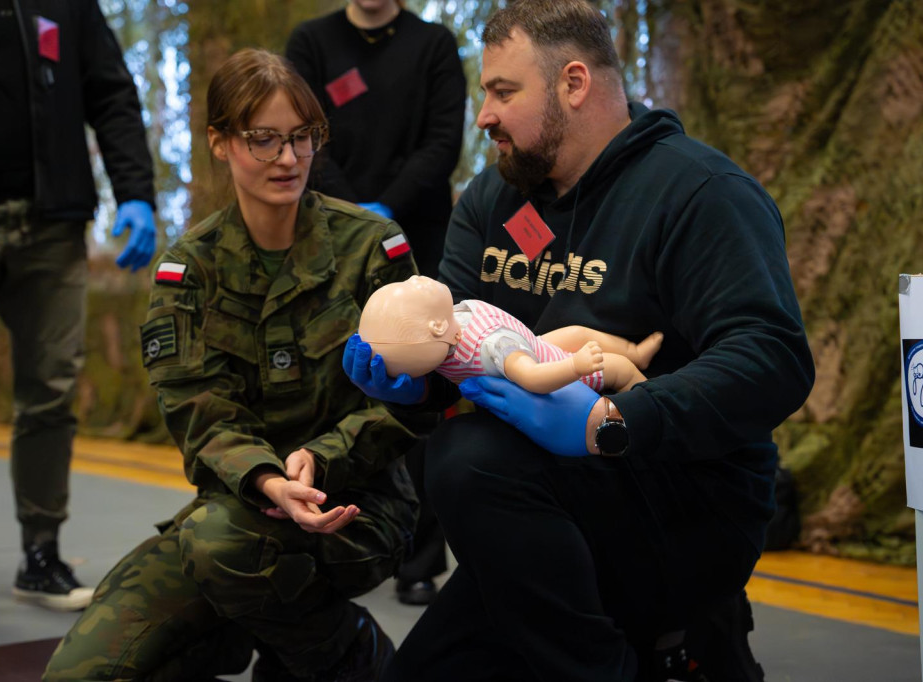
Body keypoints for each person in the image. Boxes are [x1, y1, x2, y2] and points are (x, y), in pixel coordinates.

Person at [343, 0, 816, 680]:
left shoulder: (702, 193)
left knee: (469, 458)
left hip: (683, 500)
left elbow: (772, 359)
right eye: (485, 94)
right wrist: (410, 383)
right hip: (531, 512)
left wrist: (613, 422)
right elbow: (453, 353)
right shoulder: (492, 200)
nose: (484, 116)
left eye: (503, 91)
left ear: (573, 83)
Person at [43, 48, 419, 682]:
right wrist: (271, 481)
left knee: (221, 549)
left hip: (358, 509)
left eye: (303, 138)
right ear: (220, 143)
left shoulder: (371, 250)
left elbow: (412, 399)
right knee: (86, 670)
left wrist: (322, 458)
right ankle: (261, 631)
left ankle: (346, 653)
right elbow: (200, 413)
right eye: (263, 140)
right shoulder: (189, 270)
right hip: (238, 511)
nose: (289, 159)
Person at [0, 0, 156, 625]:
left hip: (52, 229)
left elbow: (113, 95)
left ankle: (41, 554)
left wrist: (137, 194)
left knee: (52, 393)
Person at [286, 0, 467, 606]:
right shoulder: (311, 43)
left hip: (418, 239)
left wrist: (387, 210)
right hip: (327, 236)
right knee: (336, 379)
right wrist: (356, 215)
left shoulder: (434, 44)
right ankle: (332, 537)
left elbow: (443, 141)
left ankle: (418, 558)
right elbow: (304, 138)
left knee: (421, 387)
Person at [356, 274, 663, 393]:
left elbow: (415, 349)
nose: (412, 277)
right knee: (619, 368)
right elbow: (531, 378)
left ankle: (634, 350)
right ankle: (643, 386)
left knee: (580, 331)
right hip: (552, 370)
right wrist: (575, 366)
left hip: (534, 344)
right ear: (436, 326)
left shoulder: (447, 327)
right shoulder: (491, 347)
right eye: (410, 288)